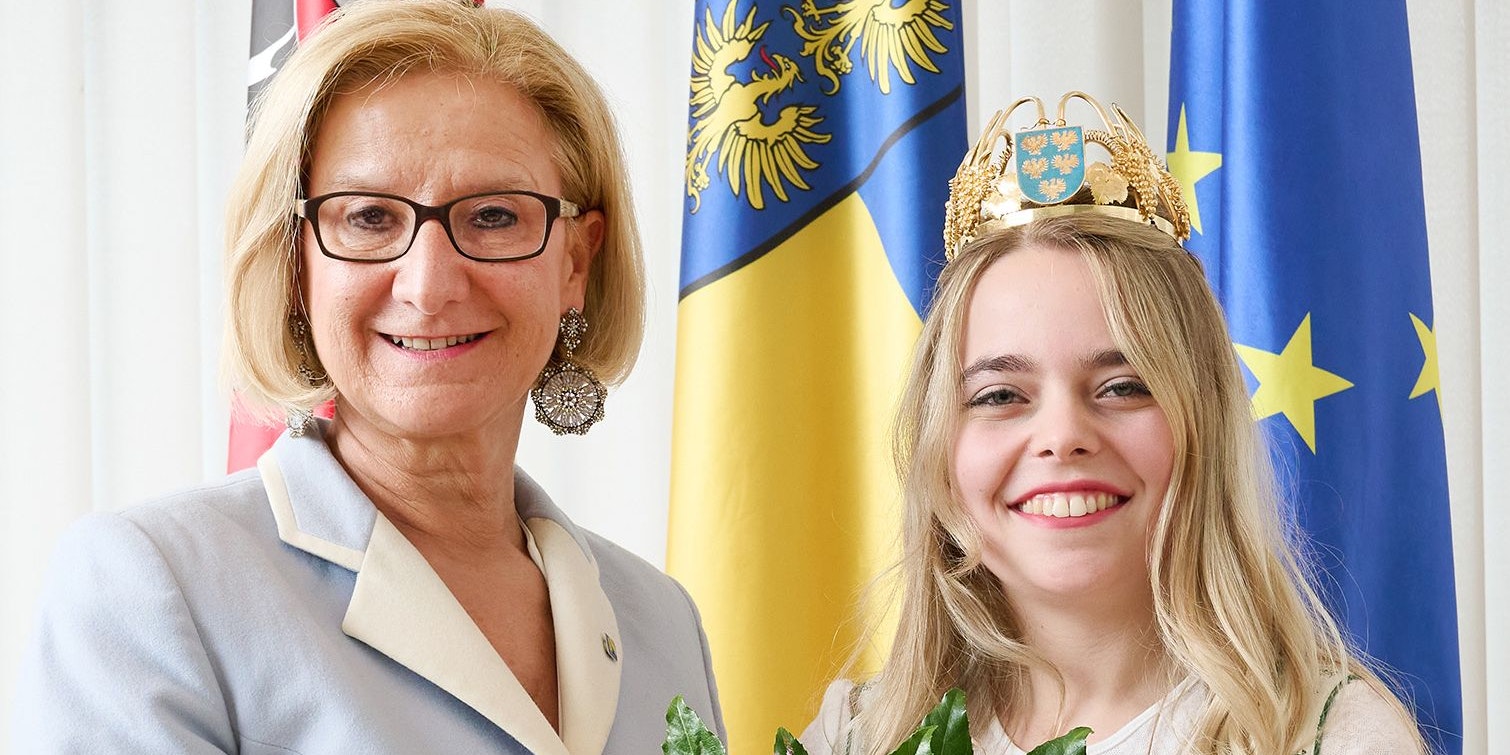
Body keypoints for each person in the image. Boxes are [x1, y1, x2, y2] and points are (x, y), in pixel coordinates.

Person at [11, 2, 722, 752]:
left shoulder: (663, 620)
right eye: (369, 218)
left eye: (492, 216)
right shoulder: (151, 590)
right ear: (295, 262)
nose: (428, 284)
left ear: (575, 261)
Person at [802, 93, 1424, 754]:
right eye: (1000, 395)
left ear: (1203, 424)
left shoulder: (1331, 736)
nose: (1062, 434)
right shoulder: (857, 734)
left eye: (1123, 386)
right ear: (940, 448)